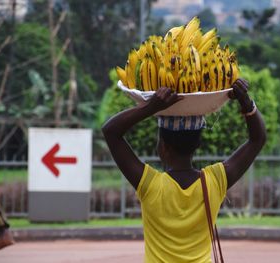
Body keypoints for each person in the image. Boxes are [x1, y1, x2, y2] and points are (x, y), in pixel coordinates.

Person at [102, 79, 266, 262]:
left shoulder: (150, 185)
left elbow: (111, 132)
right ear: (198, 144)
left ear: (163, 147)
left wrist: (151, 107)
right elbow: (257, 139)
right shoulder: (216, 180)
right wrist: (245, 101)